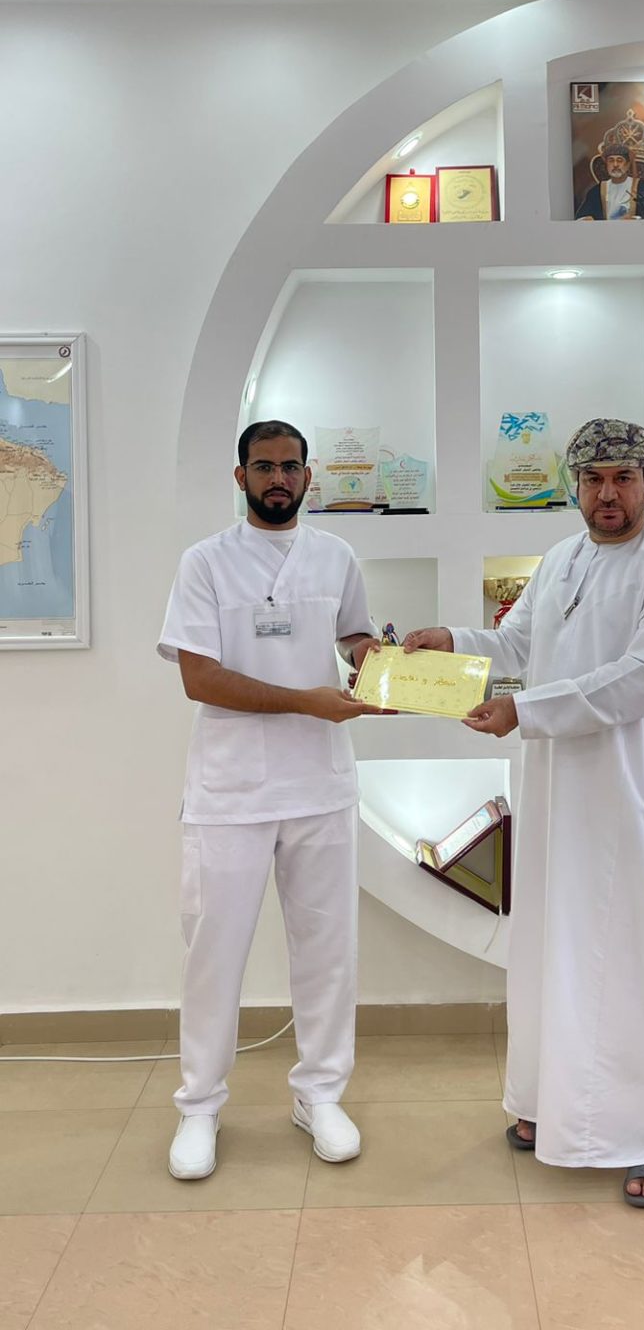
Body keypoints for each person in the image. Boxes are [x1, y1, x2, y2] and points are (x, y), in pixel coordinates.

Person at [403, 418, 644, 1207]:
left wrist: (525, 712)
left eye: (623, 479)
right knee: (551, 947)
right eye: (594, 479)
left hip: (635, 799)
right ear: (576, 486)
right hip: (556, 792)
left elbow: (642, 678)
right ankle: (548, 1102)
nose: (608, 494)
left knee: (637, 961)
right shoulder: (561, 561)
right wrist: (451, 642)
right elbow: (516, 644)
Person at [158, 419, 380, 1181]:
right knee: (212, 955)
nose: (278, 478)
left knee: (328, 950)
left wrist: (378, 660)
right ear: (240, 476)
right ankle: (199, 1106)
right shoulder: (205, 563)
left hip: (319, 784)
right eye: (263, 466)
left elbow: (353, 638)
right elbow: (199, 678)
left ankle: (320, 1095)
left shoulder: (336, 556)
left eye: (290, 466)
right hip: (231, 789)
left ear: (309, 477)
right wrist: (306, 700)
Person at [575, 144, 644, 220]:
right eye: (611, 161)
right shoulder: (596, 191)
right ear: (607, 165)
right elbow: (582, 216)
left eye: (619, 160)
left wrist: (635, 219)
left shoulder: (642, 187)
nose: (615, 165)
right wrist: (587, 218)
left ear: (627, 165)